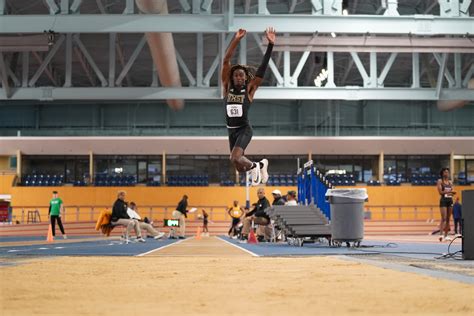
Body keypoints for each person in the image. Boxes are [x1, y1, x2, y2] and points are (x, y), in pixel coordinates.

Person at [221, 27, 276, 186]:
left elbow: (262, 70)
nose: (238, 77)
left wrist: (270, 45)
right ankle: (259, 165)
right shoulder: (226, 88)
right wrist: (236, 39)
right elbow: (226, 61)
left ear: (245, 79)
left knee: (234, 157)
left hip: (244, 129)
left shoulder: (250, 90)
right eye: (236, 75)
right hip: (231, 131)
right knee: (238, 167)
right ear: (232, 77)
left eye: (241, 75)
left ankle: (255, 166)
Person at [437, 168, 456, 242]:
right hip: (443, 201)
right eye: (445, 172)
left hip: (450, 200)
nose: (447, 173)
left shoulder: (450, 182)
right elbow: (440, 192)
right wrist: (448, 192)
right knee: (444, 217)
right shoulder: (440, 181)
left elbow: (452, 191)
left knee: (448, 218)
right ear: (442, 173)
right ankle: (441, 234)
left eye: (448, 172)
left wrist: (450, 192)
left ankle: (446, 235)